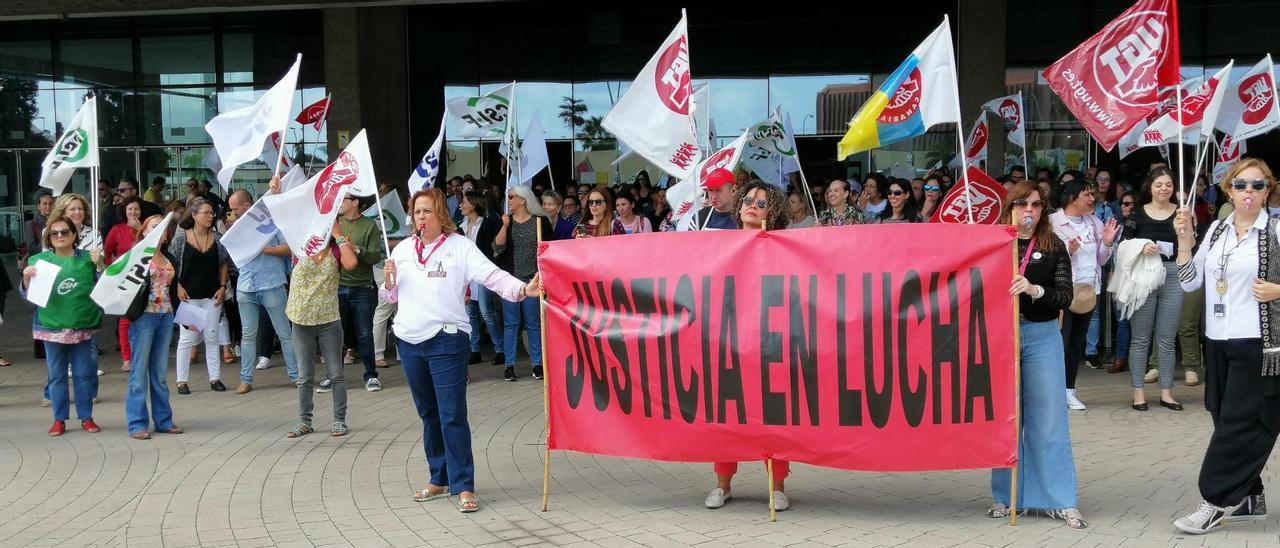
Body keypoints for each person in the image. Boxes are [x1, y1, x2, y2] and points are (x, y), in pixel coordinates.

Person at [382, 188, 543, 513]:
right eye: (416, 213)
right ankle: (438, 477)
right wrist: (388, 283)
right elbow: (391, 298)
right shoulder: (400, 251)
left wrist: (523, 289)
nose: (421, 218)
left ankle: (464, 484)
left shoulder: (460, 248)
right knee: (428, 414)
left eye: (427, 212)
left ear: (441, 214)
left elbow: (492, 276)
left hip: (447, 341)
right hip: (410, 343)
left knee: (452, 414)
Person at [1171, 158, 1280, 534]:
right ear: (1228, 189)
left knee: (1239, 423)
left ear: (1269, 190)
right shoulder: (1217, 229)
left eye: (1258, 185)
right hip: (1218, 338)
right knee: (1220, 412)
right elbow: (1188, 283)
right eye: (1241, 185)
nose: (1249, 193)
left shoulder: (1278, 229)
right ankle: (1250, 496)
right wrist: (1185, 244)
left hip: (1261, 343)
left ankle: (1215, 499)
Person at [986, 181, 1086, 528]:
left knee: (1049, 420)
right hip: (1003, 337)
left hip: (1042, 335)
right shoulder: (994, 244)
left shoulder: (1053, 246)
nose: (1029, 210)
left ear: (1043, 211)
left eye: (1036, 205)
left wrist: (1034, 289)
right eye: (1022, 204)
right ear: (1010, 207)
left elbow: (1064, 297)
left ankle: (1060, 499)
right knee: (1008, 420)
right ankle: (1006, 496)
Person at [706, 181, 793, 511]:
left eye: (761, 201)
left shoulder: (785, 247)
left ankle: (777, 485)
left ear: (774, 210)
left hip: (772, 343)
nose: (752, 205)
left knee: (775, 414)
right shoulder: (719, 244)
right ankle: (723, 485)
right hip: (729, 342)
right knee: (728, 415)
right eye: (747, 199)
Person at [281, 178, 358, 439]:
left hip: (328, 322)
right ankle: (305, 421)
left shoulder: (337, 250)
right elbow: (282, 211)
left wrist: (338, 233)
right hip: (301, 322)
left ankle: (339, 419)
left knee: (336, 373)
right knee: (305, 377)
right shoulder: (298, 248)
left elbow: (351, 264)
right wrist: (276, 190)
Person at [23, 214, 104, 436]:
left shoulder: (89, 258)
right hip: (51, 326)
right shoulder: (38, 261)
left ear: (74, 234)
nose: (59, 236)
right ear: (49, 237)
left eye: (64, 232)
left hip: (82, 324)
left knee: (83, 374)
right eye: (54, 233)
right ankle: (59, 419)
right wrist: (27, 278)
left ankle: (86, 417)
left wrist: (100, 266)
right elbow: (28, 295)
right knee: (56, 375)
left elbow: (104, 287)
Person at [1050, 180, 1119, 411]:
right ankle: (1052, 392)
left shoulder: (1094, 223)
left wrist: (1107, 242)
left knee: (1076, 344)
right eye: (1087, 194)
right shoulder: (1053, 223)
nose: (1092, 198)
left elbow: (1101, 259)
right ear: (1071, 197)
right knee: (1059, 343)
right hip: (1063, 292)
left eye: (1091, 194)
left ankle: (1070, 390)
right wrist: (1066, 252)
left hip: (1089, 292)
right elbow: (1047, 258)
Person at [1121, 167, 1185, 411]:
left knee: (1167, 339)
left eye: (1168, 184)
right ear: (1150, 187)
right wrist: (1141, 247)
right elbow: (1123, 245)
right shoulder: (1137, 213)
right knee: (1140, 338)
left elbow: (1191, 242)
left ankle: (1167, 393)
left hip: (1173, 274)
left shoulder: (1181, 213)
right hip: (1144, 275)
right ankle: (1138, 393)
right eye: (1159, 184)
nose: (1164, 189)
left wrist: (1189, 225)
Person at [226, 190, 298, 394]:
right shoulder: (237, 228)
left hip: (271, 283)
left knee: (284, 332)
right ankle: (245, 379)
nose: (233, 213)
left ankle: (296, 375)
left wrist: (262, 249)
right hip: (246, 285)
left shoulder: (272, 222)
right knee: (248, 334)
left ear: (247, 206)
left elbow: (288, 248)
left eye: (235, 209)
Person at [125, 214, 184, 439]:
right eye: (154, 226)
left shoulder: (168, 256)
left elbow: (173, 287)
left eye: (164, 227)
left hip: (165, 316)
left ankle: (163, 420)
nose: (160, 230)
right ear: (145, 231)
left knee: (159, 372)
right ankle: (137, 423)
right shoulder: (138, 256)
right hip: (144, 317)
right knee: (139, 371)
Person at [493, 185, 554, 381]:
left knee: (533, 323)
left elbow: (549, 248)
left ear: (523, 199)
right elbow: (497, 246)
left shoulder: (540, 221)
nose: (508, 200)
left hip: (532, 279)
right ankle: (509, 365)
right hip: (511, 280)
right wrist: (504, 225)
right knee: (511, 323)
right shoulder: (506, 221)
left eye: (511, 197)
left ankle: (537, 364)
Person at [171, 198, 230, 395]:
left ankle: (215, 378)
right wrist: (178, 286)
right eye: (205, 212)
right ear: (194, 215)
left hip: (211, 295)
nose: (210, 216)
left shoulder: (218, 238)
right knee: (187, 338)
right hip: (189, 296)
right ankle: (181, 380)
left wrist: (223, 286)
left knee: (211, 336)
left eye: (211, 213)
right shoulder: (181, 238)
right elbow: (172, 264)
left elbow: (223, 263)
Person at [335, 192, 385, 393]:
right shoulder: (334, 223)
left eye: (343, 199)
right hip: (338, 287)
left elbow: (375, 256)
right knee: (337, 335)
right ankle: (334, 377)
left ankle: (371, 375)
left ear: (355, 203)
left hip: (363, 288)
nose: (339, 203)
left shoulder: (369, 226)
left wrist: (357, 249)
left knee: (365, 333)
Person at [458, 191, 503, 364]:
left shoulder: (488, 224)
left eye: (464, 202)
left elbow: (494, 248)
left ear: (474, 204)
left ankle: (500, 349)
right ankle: (474, 350)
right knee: (471, 313)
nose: (461, 205)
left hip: (482, 273)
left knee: (487, 312)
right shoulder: (460, 227)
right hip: (466, 275)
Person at [105, 196, 145, 372]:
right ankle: (126, 358)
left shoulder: (146, 228)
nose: (133, 212)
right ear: (124, 211)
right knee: (124, 320)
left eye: (136, 209)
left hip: (144, 279)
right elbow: (106, 253)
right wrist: (111, 272)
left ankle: (141, 354)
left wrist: (140, 231)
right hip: (123, 279)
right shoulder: (117, 229)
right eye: (130, 209)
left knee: (144, 317)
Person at [1107, 191, 1138, 375]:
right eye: (1125, 204)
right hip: (1118, 277)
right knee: (1122, 320)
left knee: (1140, 321)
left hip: (1138, 278)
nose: (1128, 207)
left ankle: (1139, 359)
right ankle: (1121, 358)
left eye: (1132, 204)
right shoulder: (1115, 227)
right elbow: (1109, 251)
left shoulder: (1141, 225)